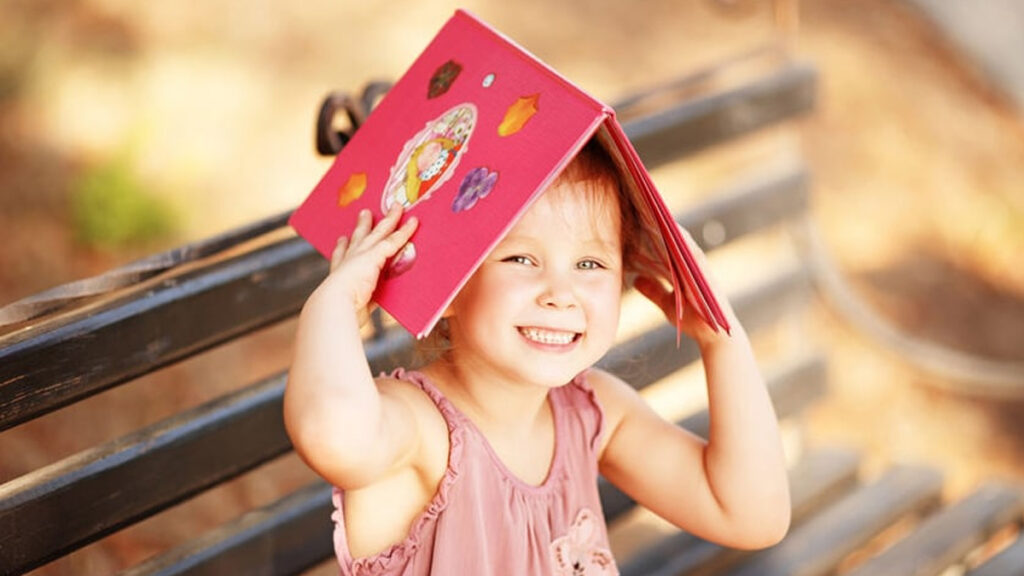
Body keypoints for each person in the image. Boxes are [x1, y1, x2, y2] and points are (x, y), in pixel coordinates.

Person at [284, 140, 791, 575]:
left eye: (590, 263)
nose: (560, 293)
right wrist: (335, 302)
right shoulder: (421, 431)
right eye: (522, 259)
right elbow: (333, 435)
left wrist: (721, 341)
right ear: (451, 284)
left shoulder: (591, 412)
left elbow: (749, 514)